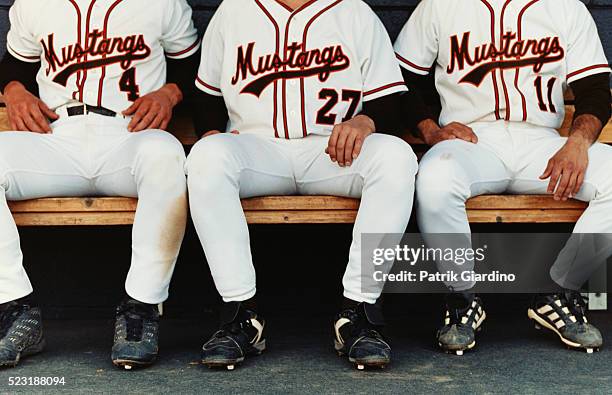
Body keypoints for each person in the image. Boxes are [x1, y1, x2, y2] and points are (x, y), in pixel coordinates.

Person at [187, 0, 418, 370]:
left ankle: (359, 312)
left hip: (331, 151)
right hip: (258, 150)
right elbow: (206, 95)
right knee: (205, 157)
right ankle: (240, 316)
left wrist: (365, 122)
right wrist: (217, 143)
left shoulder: (353, 12)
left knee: (396, 157)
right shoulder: (234, 11)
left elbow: (390, 96)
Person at [395, 0, 611, 355]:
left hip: (541, 143)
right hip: (473, 142)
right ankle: (462, 299)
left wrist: (578, 141)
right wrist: (430, 131)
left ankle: (558, 290)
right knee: (434, 179)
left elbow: (595, 88)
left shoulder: (566, 7)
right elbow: (400, 77)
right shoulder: (440, 5)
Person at [0, 0, 200, 369]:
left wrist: (170, 93)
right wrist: (12, 89)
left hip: (128, 133)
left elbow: (194, 67)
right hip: (55, 134)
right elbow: (15, 64)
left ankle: (141, 308)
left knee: (166, 154)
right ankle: (14, 310)